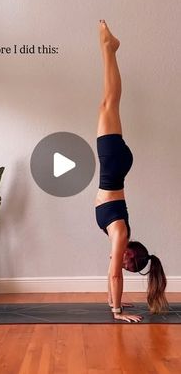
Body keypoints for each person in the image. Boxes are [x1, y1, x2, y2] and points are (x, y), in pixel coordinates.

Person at [95, 20, 169, 323]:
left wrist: (116, 305)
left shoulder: (121, 236)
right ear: (131, 254)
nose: (121, 266)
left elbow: (110, 276)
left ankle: (108, 49)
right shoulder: (121, 234)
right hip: (113, 165)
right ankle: (109, 49)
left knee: (108, 105)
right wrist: (117, 313)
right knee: (109, 103)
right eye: (128, 264)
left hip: (115, 166)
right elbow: (114, 277)